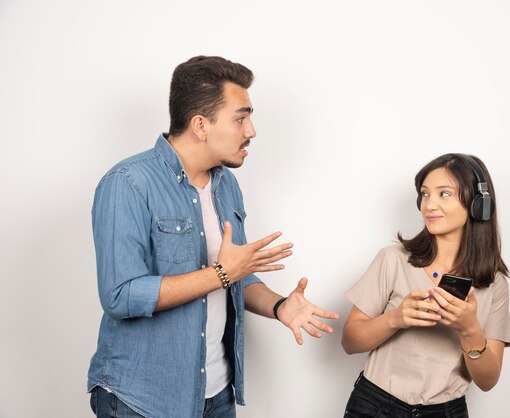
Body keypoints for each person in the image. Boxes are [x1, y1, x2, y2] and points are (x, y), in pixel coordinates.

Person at [87, 56, 339, 418]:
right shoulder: (128, 183)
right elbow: (120, 295)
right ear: (201, 125)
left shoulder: (226, 185)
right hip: (141, 400)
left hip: (216, 395)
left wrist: (280, 306)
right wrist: (221, 274)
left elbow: (236, 273)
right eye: (241, 117)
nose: (251, 130)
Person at [341, 153, 510, 418]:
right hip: (375, 405)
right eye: (424, 194)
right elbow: (350, 342)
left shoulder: (494, 283)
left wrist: (469, 329)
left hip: (446, 412)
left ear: (479, 204)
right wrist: (395, 319)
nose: (429, 205)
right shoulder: (393, 259)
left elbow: (487, 380)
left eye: (444, 194)